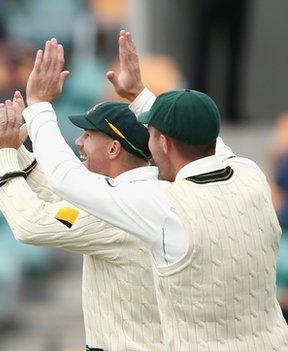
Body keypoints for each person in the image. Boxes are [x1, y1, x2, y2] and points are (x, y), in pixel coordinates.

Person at [23, 37, 288, 350]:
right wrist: (138, 95)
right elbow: (212, 146)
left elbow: (65, 179)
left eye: (150, 135)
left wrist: (38, 106)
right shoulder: (250, 174)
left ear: (163, 144)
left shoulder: (162, 206)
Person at [0, 91, 163, 350]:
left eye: (88, 135)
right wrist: (17, 150)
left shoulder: (120, 205)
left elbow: (30, 225)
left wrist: (2, 155)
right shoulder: (135, 191)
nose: (79, 142)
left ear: (114, 148)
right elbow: (63, 200)